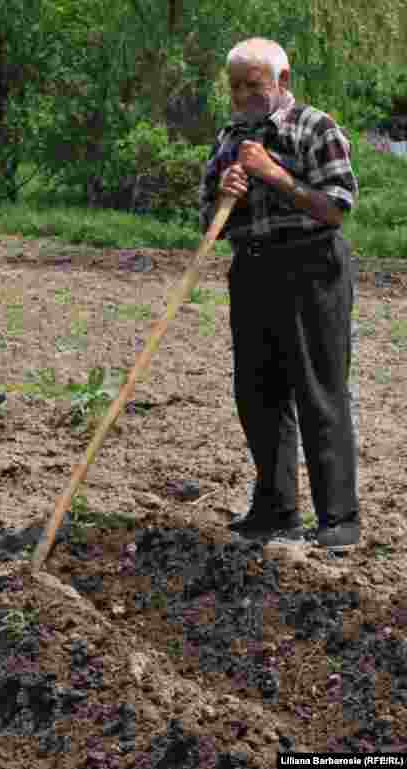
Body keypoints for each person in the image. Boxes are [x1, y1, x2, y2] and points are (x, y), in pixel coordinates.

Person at [198, 38, 360, 550]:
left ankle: (339, 521)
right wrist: (226, 194)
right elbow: (209, 223)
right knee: (258, 392)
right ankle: (276, 510)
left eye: (256, 83)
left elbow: (334, 207)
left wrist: (274, 175)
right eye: (237, 85)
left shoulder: (316, 127)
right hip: (252, 268)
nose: (246, 93)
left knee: (318, 390)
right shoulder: (228, 139)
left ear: (282, 81)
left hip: (311, 265)